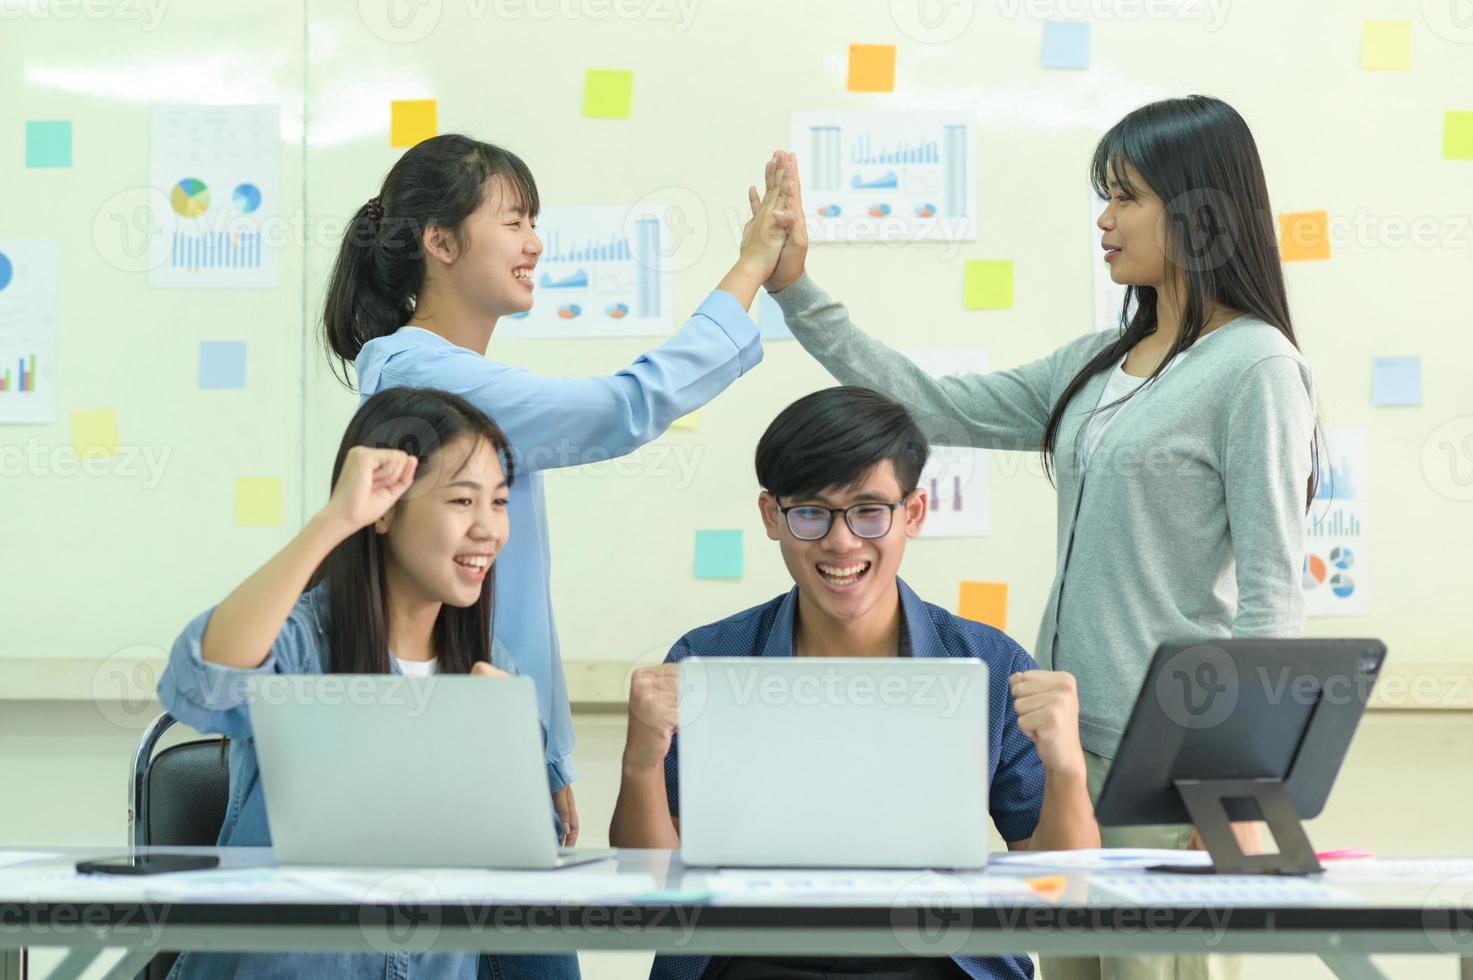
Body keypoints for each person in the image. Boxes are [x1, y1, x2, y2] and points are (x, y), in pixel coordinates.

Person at [760, 96, 1320, 980]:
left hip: (1173, 764)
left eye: (1125, 195)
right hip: (1063, 751)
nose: (1104, 218)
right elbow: (928, 402)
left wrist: (1240, 781)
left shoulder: (1256, 367)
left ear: (1198, 210)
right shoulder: (1097, 363)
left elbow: (1273, 587)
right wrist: (796, 292)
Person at [321, 135, 795, 842]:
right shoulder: (428, 379)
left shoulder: (452, 374)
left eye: (533, 223)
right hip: (463, 742)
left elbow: (516, 601)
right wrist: (752, 265)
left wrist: (548, 751)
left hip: (500, 730)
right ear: (440, 243)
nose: (535, 243)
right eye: (513, 221)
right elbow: (621, 408)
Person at [610, 386, 1099, 980]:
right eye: (811, 512)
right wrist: (640, 763)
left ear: (912, 514)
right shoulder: (708, 659)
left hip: (935, 957)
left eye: (869, 510)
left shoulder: (989, 662)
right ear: (772, 516)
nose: (841, 542)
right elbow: (652, 891)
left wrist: (1069, 770)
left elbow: (1061, 895)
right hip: (751, 956)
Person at [157, 386, 576, 980]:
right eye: (462, 501)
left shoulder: (492, 669)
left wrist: (501, 754)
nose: (489, 529)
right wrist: (333, 520)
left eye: (500, 502)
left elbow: (525, 877)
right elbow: (202, 684)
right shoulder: (305, 642)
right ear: (384, 510)